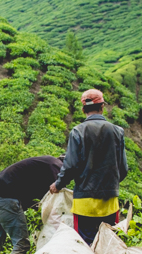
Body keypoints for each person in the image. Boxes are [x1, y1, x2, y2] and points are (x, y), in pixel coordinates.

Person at [49, 89, 128, 245]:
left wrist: (58, 184)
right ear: (102, 107)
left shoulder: (78, 131)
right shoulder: (117, 132)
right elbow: (123, 168)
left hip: (84, 201)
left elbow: (70, 165)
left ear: (83, 109)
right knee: (108, 244)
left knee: (85, 245)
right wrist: (109, 185)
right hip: (110, 200)